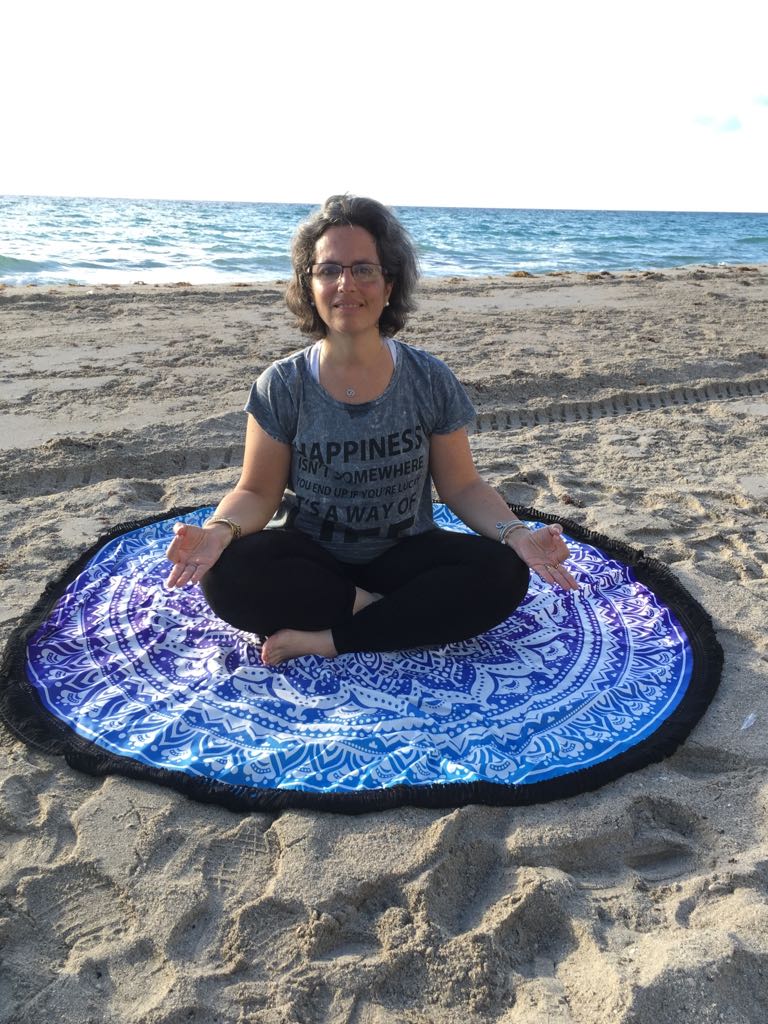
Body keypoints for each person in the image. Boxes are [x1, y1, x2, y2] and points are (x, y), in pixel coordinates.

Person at [166, 195, 577, 666]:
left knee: (504, 573)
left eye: (364, 269)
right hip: (311, 557)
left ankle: (328, 638)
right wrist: (219, 531)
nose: (346, 284)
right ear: (309, 284)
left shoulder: (428, 378)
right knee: (227, 576)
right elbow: (257, 491)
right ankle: (390, 618)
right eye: (329, 270)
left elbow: (462, 486)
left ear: (388, 284)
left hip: (403, 555)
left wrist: (516, 534)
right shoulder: (282, 384)